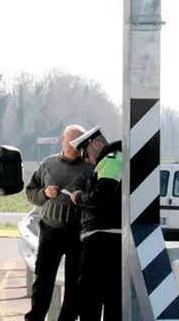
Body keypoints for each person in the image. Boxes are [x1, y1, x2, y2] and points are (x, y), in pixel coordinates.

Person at [23, 124, 93, 321]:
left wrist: (82, 198)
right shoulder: (48, 164)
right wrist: (45, 193)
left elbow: (97, 198)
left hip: (78, 233)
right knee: (43, 283)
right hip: (50, 231)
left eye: (77, 143)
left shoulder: (90, 168)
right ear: (63, 139)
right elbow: (30, 192)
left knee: (74, 286)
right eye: (70, 142)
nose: (73, 146)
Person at [68, 125, 122, 321]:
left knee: (89, 296)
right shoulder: (118, 158)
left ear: (97, 145)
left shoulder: (111, 160)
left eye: (86, 154)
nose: (88, 160)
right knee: (113, 298)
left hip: (101, 239)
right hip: (115, 238)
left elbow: (101, 197)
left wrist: (79, 197)